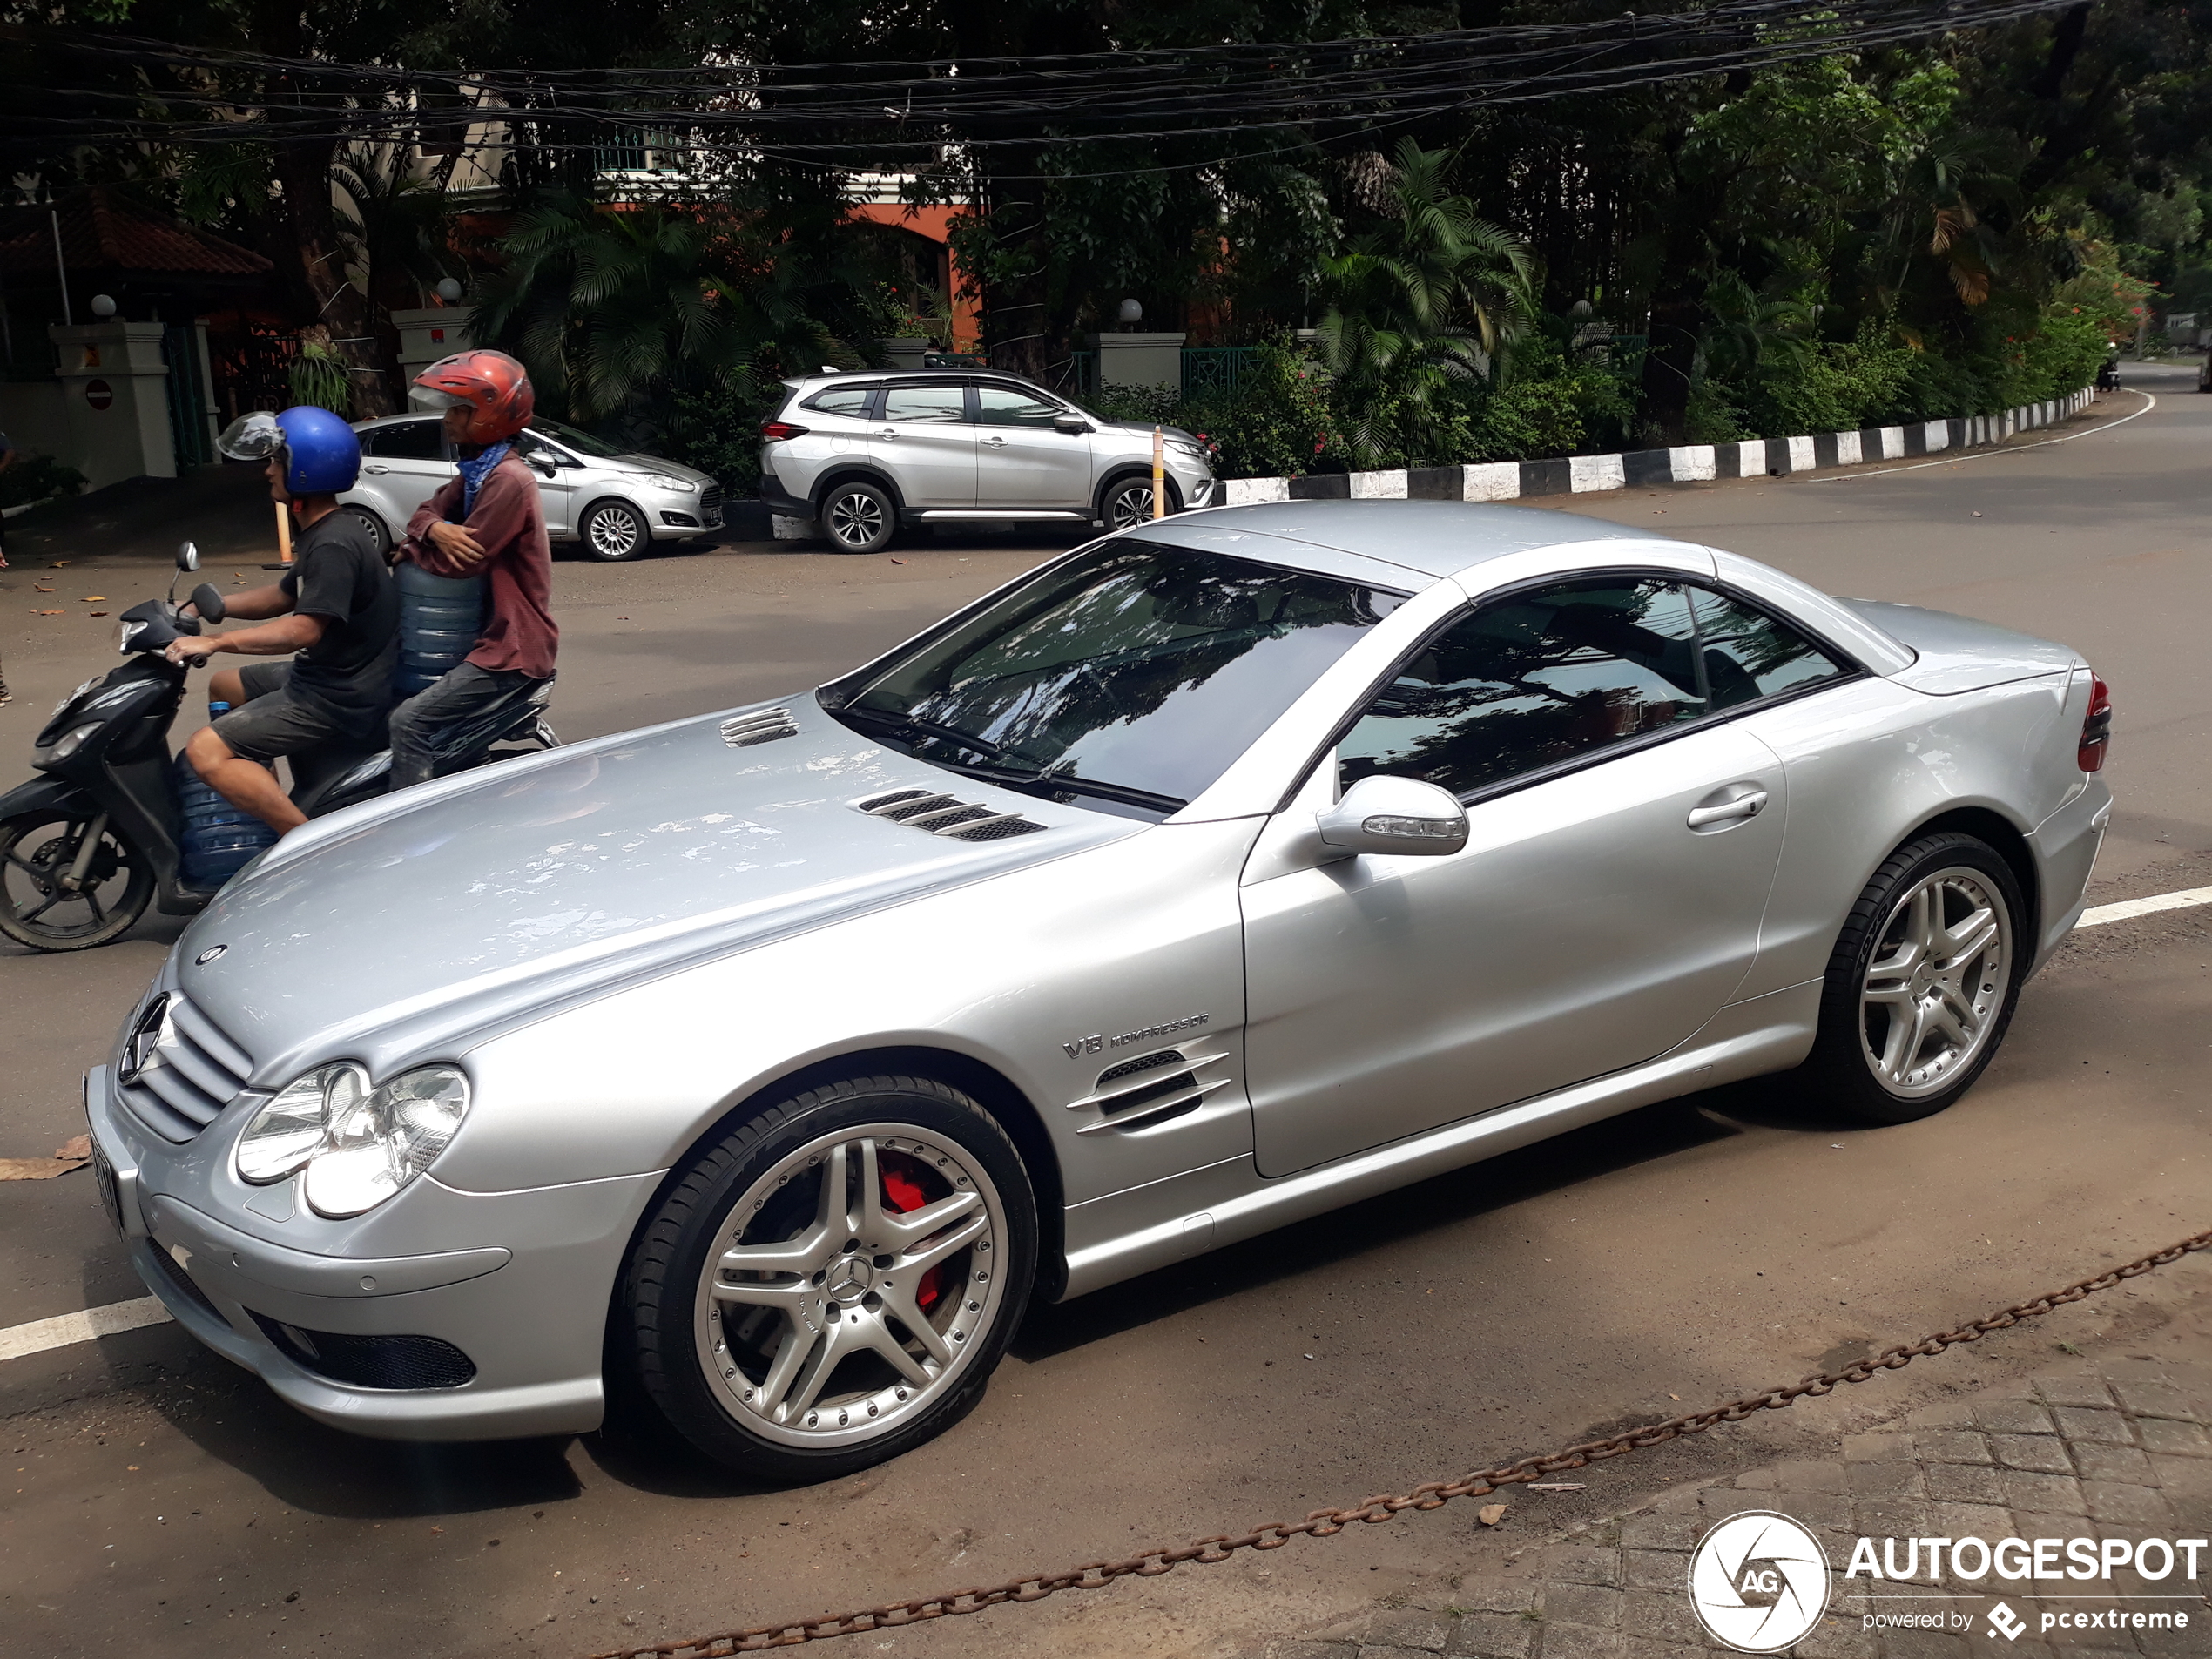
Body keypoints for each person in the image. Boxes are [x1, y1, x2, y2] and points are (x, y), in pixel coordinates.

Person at [166, 407, 398, 836]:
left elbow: (302, 630)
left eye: (276, 461)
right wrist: (207, 605)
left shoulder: (334, 544)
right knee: (224, 686)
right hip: (324, 674)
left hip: (340, 695)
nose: (268, 471)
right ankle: (264, 797)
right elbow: (282, 596)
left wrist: (215, 642)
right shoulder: (324, 529)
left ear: (305, 471)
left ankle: (306, 844)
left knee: (205, 752)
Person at [389, 349, 557, 790]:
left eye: (459, 411)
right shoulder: (477, 474)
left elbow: (459, 562)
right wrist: (434, 529)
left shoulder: (507, 481)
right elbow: (426, 512)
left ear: (489, 417)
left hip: (511, 649)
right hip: (480, 636)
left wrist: (418, 545)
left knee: (409, 722)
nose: (448, 420)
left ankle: (404, 833)